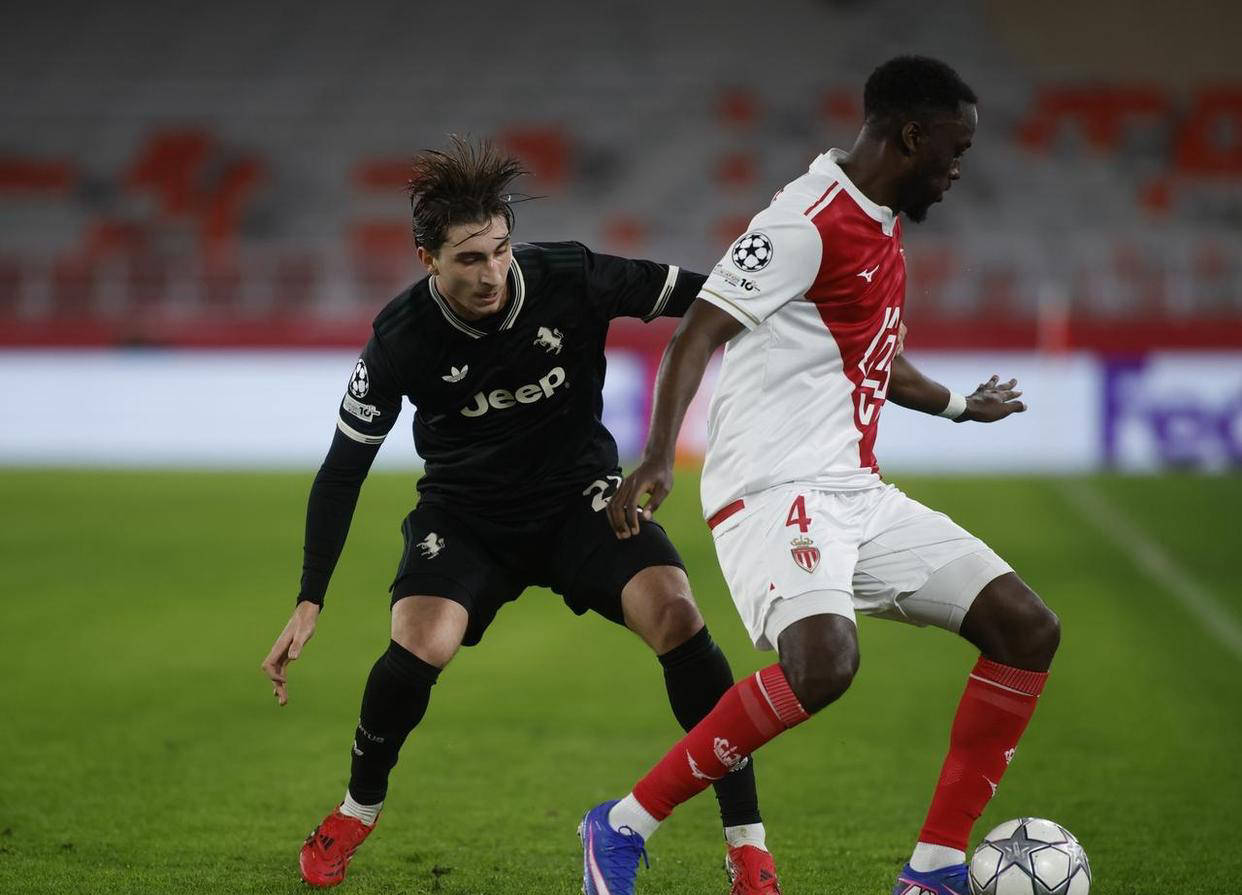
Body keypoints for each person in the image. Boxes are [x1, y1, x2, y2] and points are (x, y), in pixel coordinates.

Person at [579, 55, 1060, 895]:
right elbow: (696, 332)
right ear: (911, 136)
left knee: (1027, 629)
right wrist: (657, 453)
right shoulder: (804, 221)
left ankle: (934, 869)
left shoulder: (881, 222)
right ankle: (620, 824)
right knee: (824, 665)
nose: (958, 170)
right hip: (772, 489)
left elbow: (873, 355)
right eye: (954, 150)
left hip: (855, 491)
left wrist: (959, 406)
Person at [259, 136, 782, 893]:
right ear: (427, 260)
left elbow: (708, 300)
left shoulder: (569, 275)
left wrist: (804, 311)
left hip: (582, 499)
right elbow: (343, 468)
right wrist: (310, 597)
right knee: (421, 639)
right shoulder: (399, 338)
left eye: (501, 250)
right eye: (469, 258)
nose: (491, 273)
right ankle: (355, 809)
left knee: (677, 614)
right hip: (467, 514)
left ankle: (747, 845)